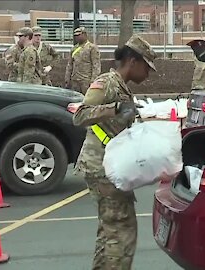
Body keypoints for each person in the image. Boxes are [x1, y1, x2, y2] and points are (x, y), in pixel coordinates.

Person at [72, 34, 156, 269]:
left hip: (109, 166)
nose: (148, 74)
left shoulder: (122, 88)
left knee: (110, 230)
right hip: (102, 167)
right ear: (133, 61)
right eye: (146, 67)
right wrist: (116, 108)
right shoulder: (107, 82)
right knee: (121, 232)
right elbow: (79, 115)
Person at [65, 27, 101, 94]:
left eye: (79, 35)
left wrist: (93, 81)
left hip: (86, 81)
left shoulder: (92, 48)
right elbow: (69, 65)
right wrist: (67, 78)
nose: (77, 37)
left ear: (84, 35)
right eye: (75, 36)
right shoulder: (74, 49)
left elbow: (96, 66)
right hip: (75, 80)